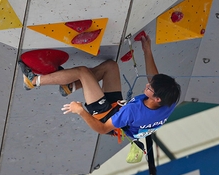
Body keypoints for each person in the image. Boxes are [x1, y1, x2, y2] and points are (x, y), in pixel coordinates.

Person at [18, 33, 181, 140]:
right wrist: (147, 51)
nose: (148, 84)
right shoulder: (169, 100)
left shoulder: (133, 111)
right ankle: (70, 86)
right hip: (119, 111)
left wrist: (80, 111)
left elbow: (103, 128)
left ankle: (33, 81)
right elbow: (155, 78)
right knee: (110, 66)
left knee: (82, 72)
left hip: (106, 118)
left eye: (150, 88)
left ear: (157, 98)